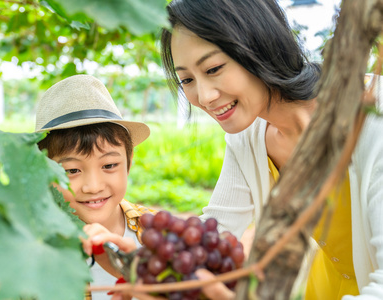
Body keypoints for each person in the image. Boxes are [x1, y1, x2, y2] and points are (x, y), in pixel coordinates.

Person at [155, 0, 383, 299]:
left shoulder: (373, 119)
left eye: (213, 68)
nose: (204, 96)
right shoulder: (249, 137)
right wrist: (137, 255)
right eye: (187, 79)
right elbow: (218, 230)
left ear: (258, 46)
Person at [35, 74, 156, 300]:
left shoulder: (156, 233)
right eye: (71, 170)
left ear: (128, 165)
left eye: (109, 165)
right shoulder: (36, 252)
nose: (93, 187)